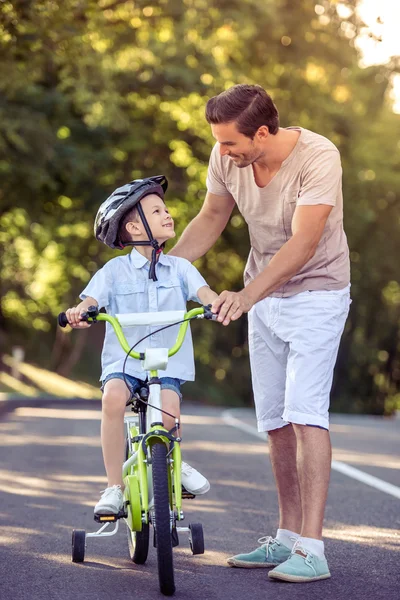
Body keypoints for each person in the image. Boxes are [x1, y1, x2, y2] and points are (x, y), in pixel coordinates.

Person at [169, 84, 351, 582]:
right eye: (219, 144)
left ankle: (313, 549)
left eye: (230, 144)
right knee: (274, 421)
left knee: (305, 414)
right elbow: (211, 217)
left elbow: (305, 242)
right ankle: (287, 537)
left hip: (317, 294)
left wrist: (247, 297)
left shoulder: (318, 156)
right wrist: (163, 275)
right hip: (264, 297)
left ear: (264, 132)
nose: (222, 153)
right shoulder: (226, 155)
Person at [65, 175, 218, 516]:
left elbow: (204, 293)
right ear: (134, 229)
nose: (168, 215)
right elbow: (92, 299)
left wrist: (215, 303)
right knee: (113, 398)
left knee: (169, 409)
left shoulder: (180, 268)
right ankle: (114, 487)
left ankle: (173, 466)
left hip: (166, 361)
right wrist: (82, 311)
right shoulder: (114, 271)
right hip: (126, 361)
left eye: (166, 208)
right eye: (156, 211)